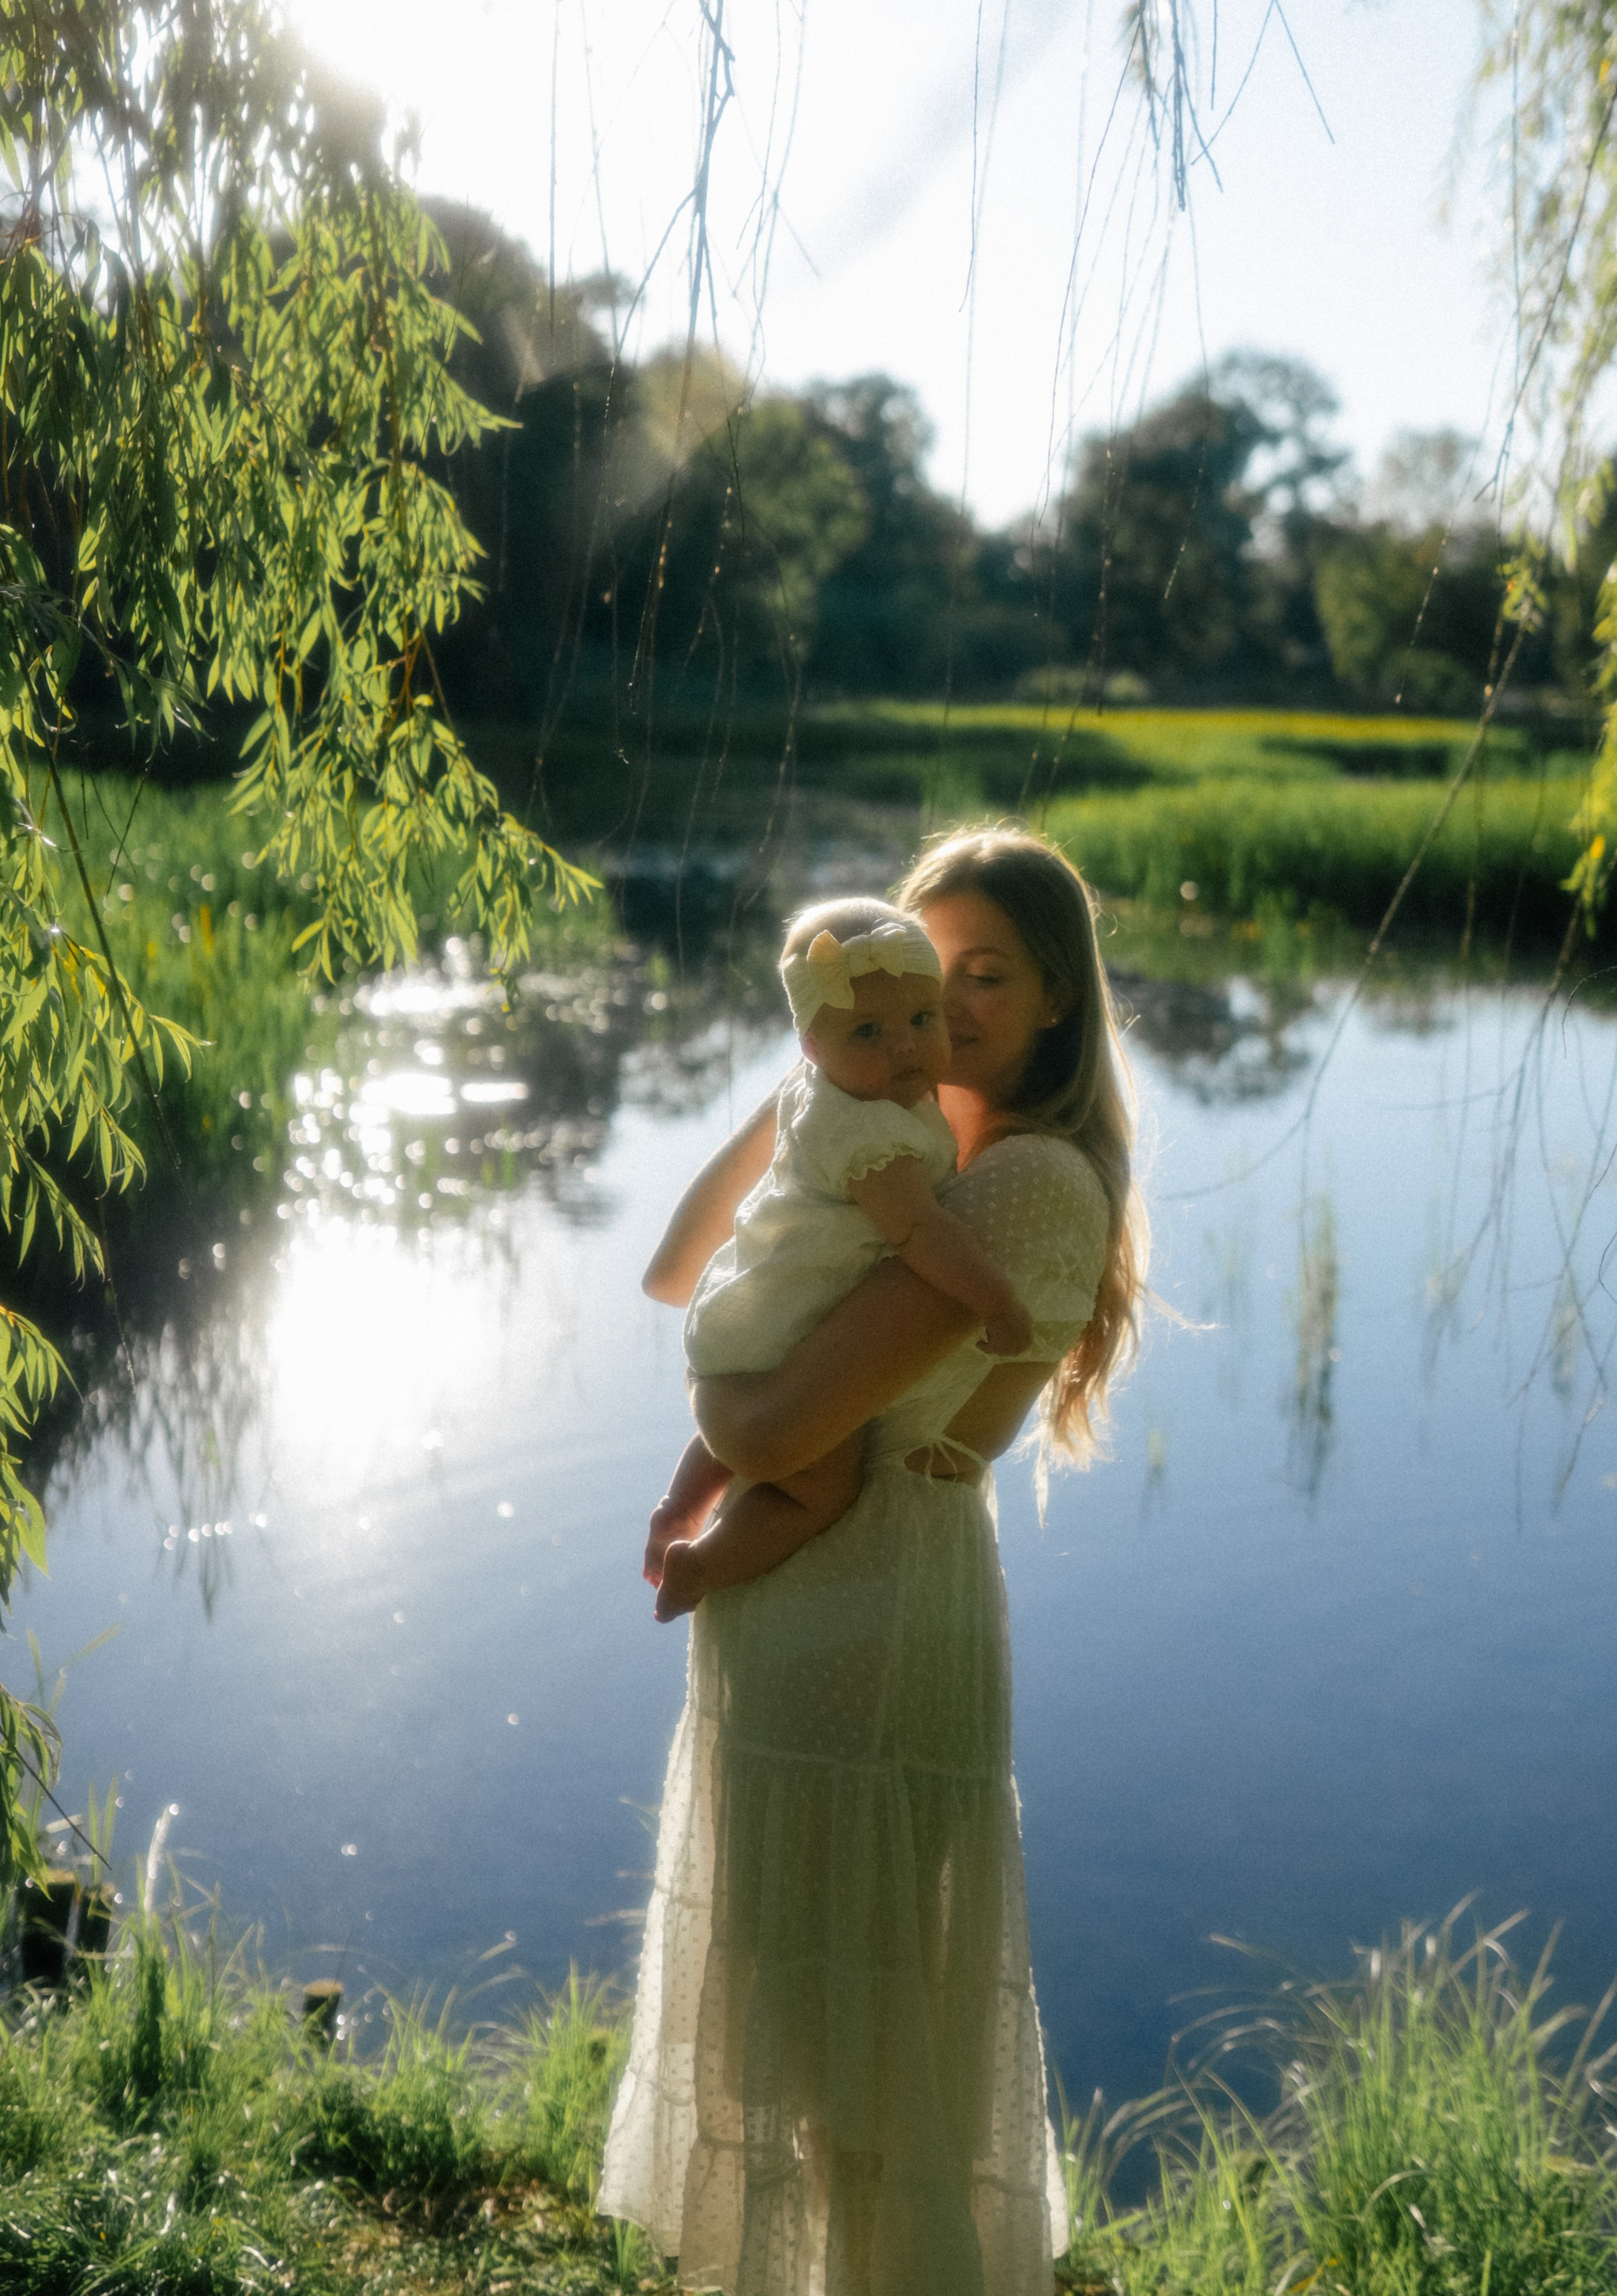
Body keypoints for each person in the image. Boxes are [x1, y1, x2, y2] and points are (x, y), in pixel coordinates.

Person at [600, 827, 1146, 2296]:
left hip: (871, 1631)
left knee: (865, 2099)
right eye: (909, 970)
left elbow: (781, 1415)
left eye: (980, 976)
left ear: (1055, 1000)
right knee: (802, 2073)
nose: (938, 1004)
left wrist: (719, 1422)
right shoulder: (903, 1152)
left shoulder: (1019, 1187)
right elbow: (669, 1272)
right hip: (794, 1618)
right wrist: (804, 1095)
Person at [646, 894, 1036, 1622]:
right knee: (818, 1492)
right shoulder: (869, 1142)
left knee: (731, 1431)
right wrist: (996, 1300)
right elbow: (920, 1233)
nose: (904, 1049)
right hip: (774, 1358)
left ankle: (678, 1504)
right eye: (868, 1031)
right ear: (812, 1047)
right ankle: (699, 1564)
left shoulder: (816, 1092)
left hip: (736, 1338)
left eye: (922, 1020)